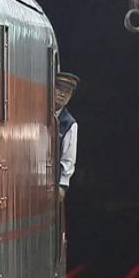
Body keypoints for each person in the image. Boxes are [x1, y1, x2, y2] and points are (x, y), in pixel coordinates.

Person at [54, 71, 79, 201]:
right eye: (59, 88)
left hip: (52, 181)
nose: (63, 94)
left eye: (67, 92)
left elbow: (68, 158)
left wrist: (62, 185)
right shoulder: (37, 112)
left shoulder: (69, 124)